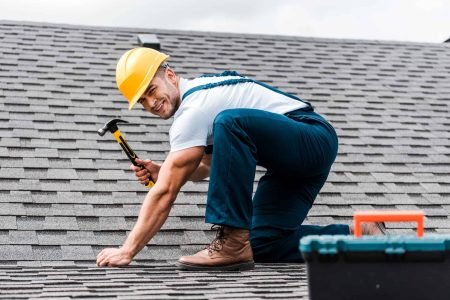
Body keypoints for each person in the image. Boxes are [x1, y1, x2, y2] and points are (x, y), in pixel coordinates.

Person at [96, 48, 385, 270]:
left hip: (311, 136)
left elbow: (165, 193)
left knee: (230, 122)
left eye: (151, 91)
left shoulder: (194, 110)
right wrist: (162, 169)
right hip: (292, 164)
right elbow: (209, 166)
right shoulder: (203, 103)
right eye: (142, 102)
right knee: (262, 242)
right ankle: (359, 236)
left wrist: (128, 250)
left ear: (170, 76)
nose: (151, 104)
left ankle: (231, 240)